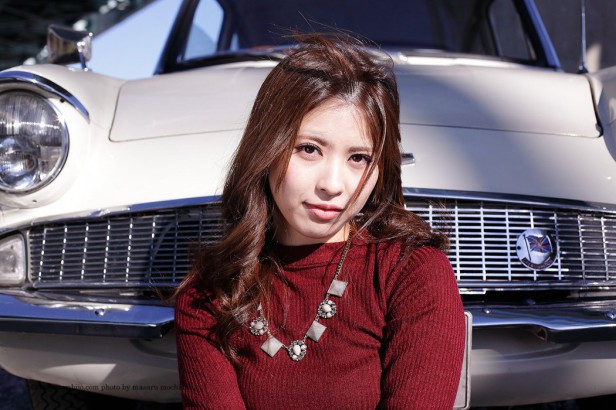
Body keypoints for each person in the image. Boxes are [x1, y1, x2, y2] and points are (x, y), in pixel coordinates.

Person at [174, 34, 465, 409]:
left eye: (358, 158)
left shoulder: (411, 271)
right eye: (309, 149)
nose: (332, 184)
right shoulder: (210, 293)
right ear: (266, 149)